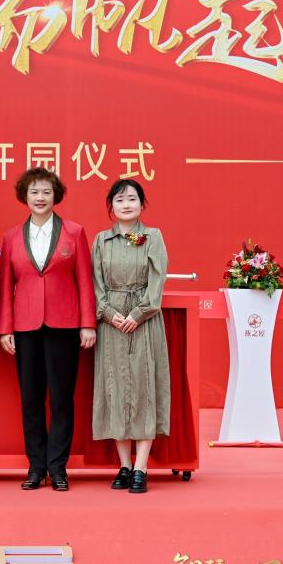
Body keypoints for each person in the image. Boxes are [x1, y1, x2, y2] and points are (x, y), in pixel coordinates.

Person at [0, 168, 96, 491]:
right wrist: (5, 328)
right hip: (25, 326)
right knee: (31, 399)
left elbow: (85, 281)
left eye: (46, 192)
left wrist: (88, 324)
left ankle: (58, 467)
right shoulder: (12, 237)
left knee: (62, 398)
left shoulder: (74, 232)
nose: (40, 198)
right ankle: (36, 467)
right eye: (34, 192)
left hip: (64, 325)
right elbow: (5, 285)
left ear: (56, 196)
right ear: (24, 196)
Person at [91, 179, 170, 494]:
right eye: (120, 199)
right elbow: (95, 283)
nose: (126, 204)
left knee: (144, 387)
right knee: (114, 389)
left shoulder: (153, 237)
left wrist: (138, 314)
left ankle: (142, 467)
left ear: (142, 204)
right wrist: (108, 313)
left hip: (144, 322)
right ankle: (124, 465)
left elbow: (157, 281)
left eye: (132, 199)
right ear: (111, 205)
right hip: (111, 324)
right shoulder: (101, 240)